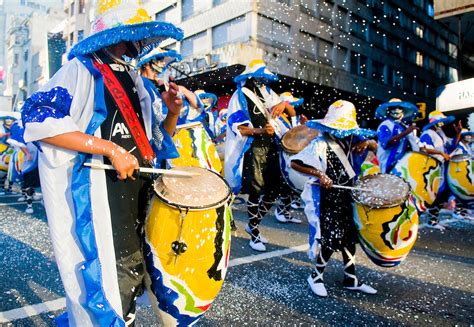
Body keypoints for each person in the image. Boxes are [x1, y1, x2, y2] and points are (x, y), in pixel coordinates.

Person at [21, 1, 184, 325]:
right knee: (109, 288)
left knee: (131, 283)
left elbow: (155, 145)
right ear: (114, 37)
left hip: (139, 201)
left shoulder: (139, 83)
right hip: (101, 202)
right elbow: (38, 120)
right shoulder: (80, 69)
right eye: (132, 38)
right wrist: (109, 149)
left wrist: (173, 112)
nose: (137, 46)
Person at [290, 100, 378, 297]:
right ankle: (316, 276)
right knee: (330, 238)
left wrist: (367, 142)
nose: (340, 131)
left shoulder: (354, 138)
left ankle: (351, 277)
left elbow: (375, 144)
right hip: (329, 197)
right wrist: (319, 174)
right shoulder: (320, 143)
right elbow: (294, 163)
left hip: (348, 194)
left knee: (349, 238)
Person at [225, 59, 299, 252]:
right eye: (258, 77)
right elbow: (238, 128)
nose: (261, 81)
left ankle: (253, 223)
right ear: (249, 77)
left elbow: (292, 112)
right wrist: (260, 131)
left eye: (263, 77)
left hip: (272, 147)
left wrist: (283, 104)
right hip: (254, 149)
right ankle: (254, 233)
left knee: (275, 189)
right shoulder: (240, 95)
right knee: (256, 191)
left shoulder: (269, 94)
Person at [375, 98, 420, 173]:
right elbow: (386, 144)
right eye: (393, 108)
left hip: (404, 165)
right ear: (388, 111)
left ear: (403, 110)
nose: (397, 110)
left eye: (399, 108)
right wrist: (405, 132)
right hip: (389, 166)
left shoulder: (404, 126)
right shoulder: (385, 124)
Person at [7, 120, 41, 213]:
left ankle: (29, 197)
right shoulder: (21, 125)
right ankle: (29, 205)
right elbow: (20, 143)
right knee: (25, 179)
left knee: (33, 181)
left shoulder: (36, 125)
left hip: (37, 159)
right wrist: (27, 154)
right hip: (27, 159)